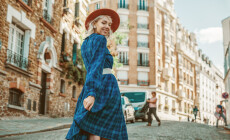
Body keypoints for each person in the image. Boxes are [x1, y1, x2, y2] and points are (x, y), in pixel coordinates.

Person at [65, 9, 128, 140]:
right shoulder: (100, 40)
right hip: (105, 87)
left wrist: (90, 91)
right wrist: (92, 93)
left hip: (93, 85)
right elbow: (96, 66)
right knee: (103, 130)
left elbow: (92, 68)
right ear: (94, 24)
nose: (107, 27)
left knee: (94, 128)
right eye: (103, 22)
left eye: (109, 24)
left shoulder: (85, 42)